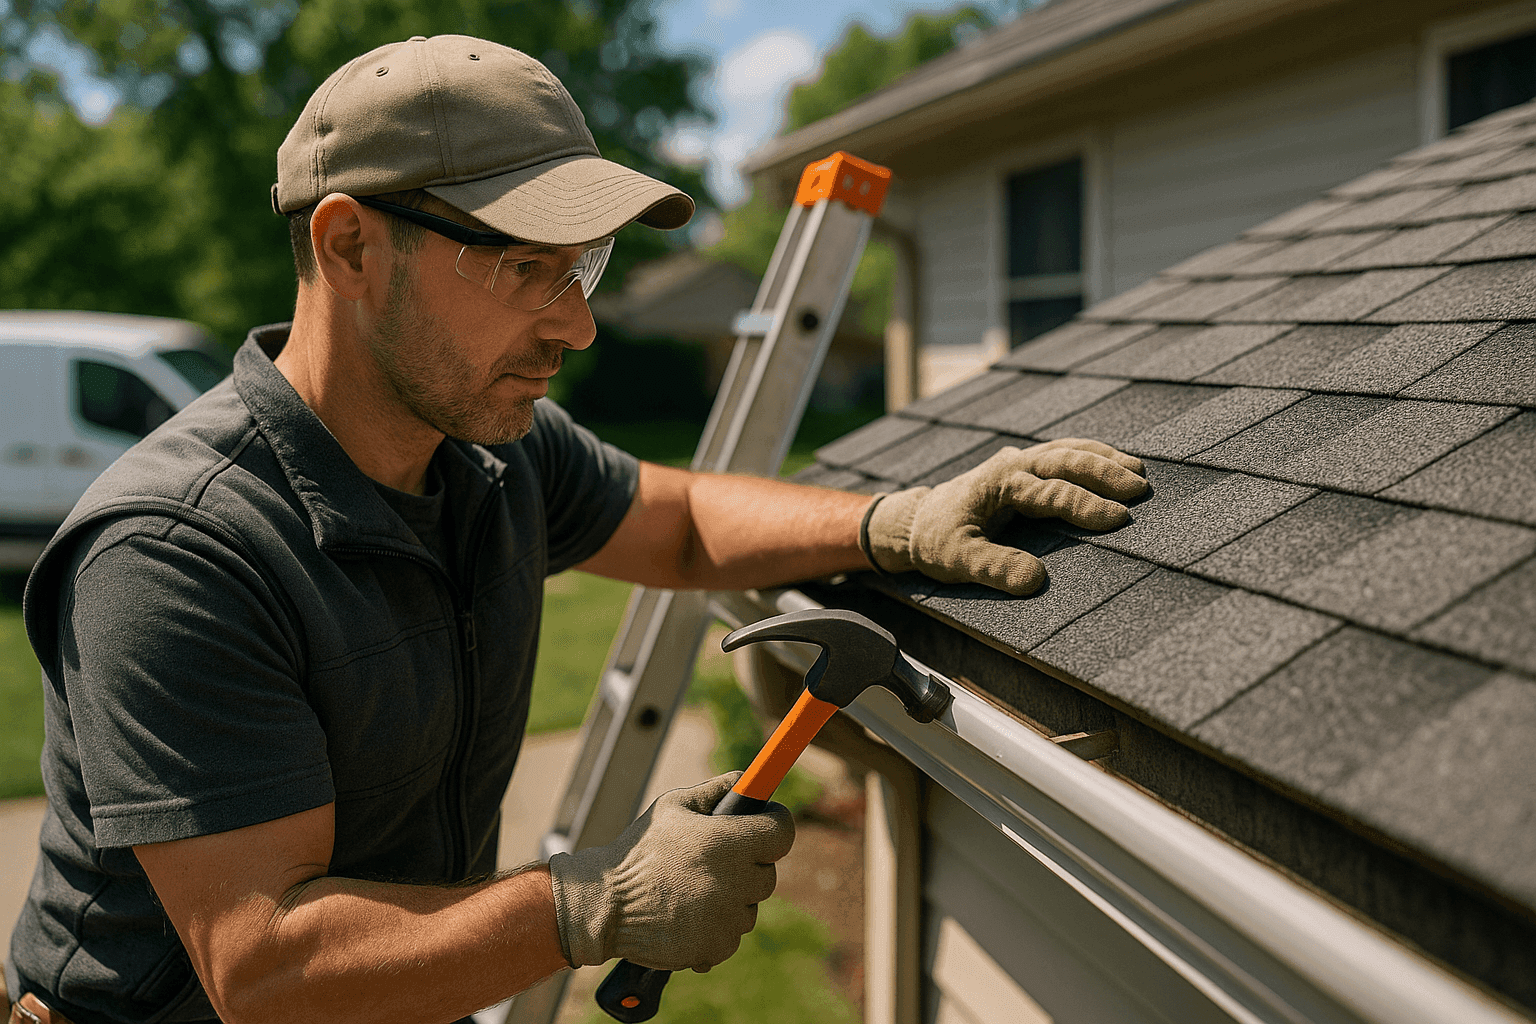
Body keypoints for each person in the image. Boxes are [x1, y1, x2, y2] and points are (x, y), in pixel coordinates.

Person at [4, 34, 1148, 1024]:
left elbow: (687, 521)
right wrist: (597, 903)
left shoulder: (489, 448)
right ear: (352, 247)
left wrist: (897, 521)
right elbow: (268, 968)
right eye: (525, 267)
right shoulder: (175, 553)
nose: (580, 324)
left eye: (583, 267)